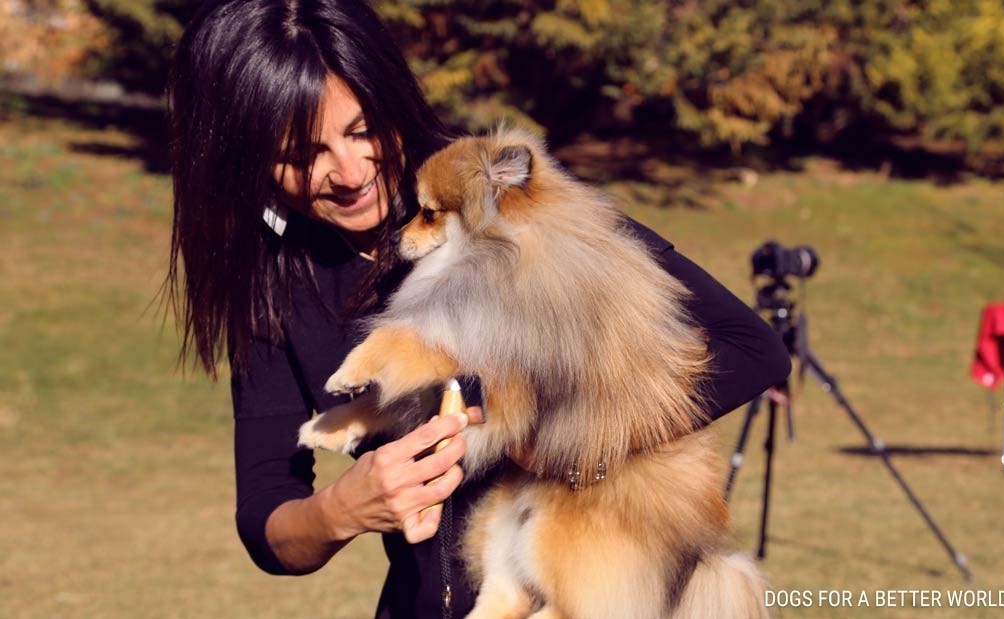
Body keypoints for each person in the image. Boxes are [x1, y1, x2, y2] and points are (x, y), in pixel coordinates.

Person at [166, 0, 792, 616]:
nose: (350, 171)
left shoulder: (502, 205)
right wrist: (343, 509)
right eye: (302, 155)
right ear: (251, 163)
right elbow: (268, 519)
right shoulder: (275, 284)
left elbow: (751, 348)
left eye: (361, 130)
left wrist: (565, 438)